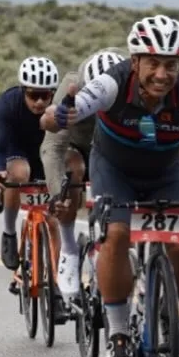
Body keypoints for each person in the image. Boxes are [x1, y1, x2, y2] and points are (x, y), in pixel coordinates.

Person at [46, 15, 179, 357]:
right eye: (153, 64)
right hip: (114, 170)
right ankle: (117, 332)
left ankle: (166, 313)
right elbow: (61, 115)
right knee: (117, 234)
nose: (162, 74)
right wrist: (58, 115)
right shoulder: (111, 84)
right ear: (135, 62)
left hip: (164, 174)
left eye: (171, 65)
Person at [38, 50, 123, 297]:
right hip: (77, 145)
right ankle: (69, 248)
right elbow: (52, 147)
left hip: (111, 146)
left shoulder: (134, 84)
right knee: (74, 167)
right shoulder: (71, 88)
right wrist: (57, 195)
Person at [0, 56, 59, 273]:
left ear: (53, 93)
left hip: (48, 153)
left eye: (45, 96)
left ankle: (56, 278)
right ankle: (9, 233)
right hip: (17, 151)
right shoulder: (8, 103)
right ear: (22, 91)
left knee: (52, 221)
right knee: (19, 172)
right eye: (33, 95)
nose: (39, 102)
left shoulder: (61, 105)